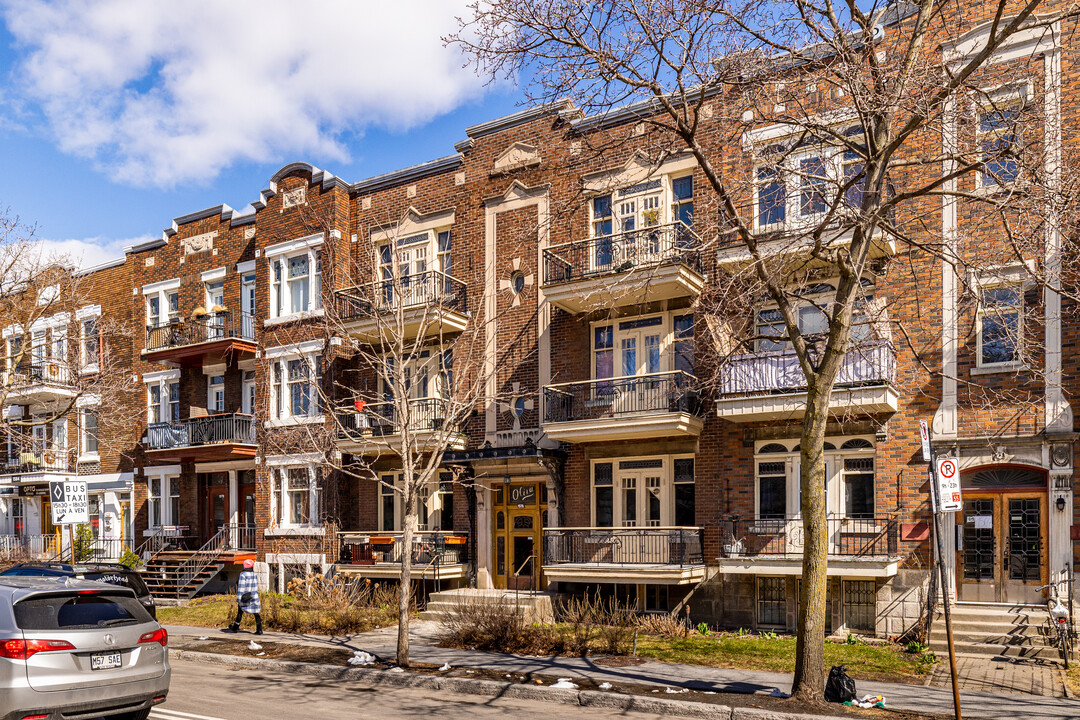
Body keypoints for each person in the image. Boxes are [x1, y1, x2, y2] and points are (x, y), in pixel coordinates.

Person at [223, 559, 262, 635]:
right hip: (254, 596)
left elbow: (241, 587)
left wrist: (239, 598)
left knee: (240, 612)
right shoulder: (254, 574)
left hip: (245, 597)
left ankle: (235, 627)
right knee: (256, 613)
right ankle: (259, 629)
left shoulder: (243, 574)